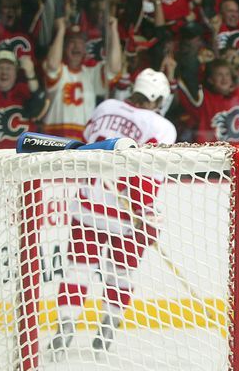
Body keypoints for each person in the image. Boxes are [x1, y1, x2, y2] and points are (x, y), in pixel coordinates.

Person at [48, 69, 175, 355]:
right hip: (128, 214)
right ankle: (108, 327)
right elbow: (148, 173)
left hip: (88, 204)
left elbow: (87, 141)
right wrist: (146, 216)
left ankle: (66, 323)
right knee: (121, 273)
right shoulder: (162, 126)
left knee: (78, 269)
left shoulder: (104, 107)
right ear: (157, 98)